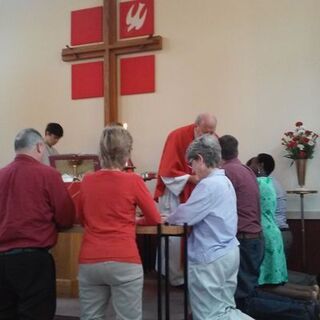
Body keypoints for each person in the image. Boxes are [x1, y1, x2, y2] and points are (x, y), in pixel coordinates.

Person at [77, 126, 161, 320]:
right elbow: (155, 218)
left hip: (90, 259)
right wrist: (136, 220)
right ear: (127, 154)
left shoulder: (87, 180)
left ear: (100, 152)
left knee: (90, 317)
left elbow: (82, 218)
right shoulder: (133, 180)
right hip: (124, 258)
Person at [167, 134, 253, 319]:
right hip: (227, 252)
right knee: (226, 310)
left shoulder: (209, 184)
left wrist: (166, 217)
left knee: (210, 315)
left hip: (211, 257)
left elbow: (186, 215)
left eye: (192, 163)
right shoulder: (224, 181)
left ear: (200, 158)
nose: (192, 169)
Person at [0, 128, 75, 320]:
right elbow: (65, 217)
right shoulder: (47, 174)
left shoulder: (1, 175)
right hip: (34, 260)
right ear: (40, 146)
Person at [154, 113, 217, 285]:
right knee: (174, 237)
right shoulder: (177, 136)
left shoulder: (213, 139)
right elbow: (167, 172)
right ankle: (174, 276)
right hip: (175, 194)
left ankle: (191, 276)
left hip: (198, 193)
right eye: (205, 131)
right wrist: (190, 178)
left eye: (212, 132)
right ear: (196, 126)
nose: (208, 136)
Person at [247, 154, 319, 301]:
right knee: (278, 277)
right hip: (278, 231)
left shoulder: (260, 184)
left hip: (269, 233)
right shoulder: (271, 182)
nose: (248, 170)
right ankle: (312, 290)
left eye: (250, 165)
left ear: (260, 165)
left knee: (269, 282)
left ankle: (311, 290)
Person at [218, 135, 264, 312]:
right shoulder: (246, 170)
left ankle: (304, 310)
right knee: (249, 293)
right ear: (236, 150)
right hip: (256, 237)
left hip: (244, 240)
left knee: (243, 299)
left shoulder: (227, 173)